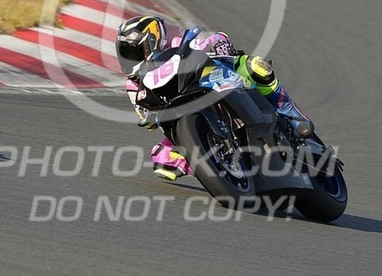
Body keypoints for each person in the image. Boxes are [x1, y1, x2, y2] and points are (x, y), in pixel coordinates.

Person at [115, 15, 314, 182]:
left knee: (256, 67)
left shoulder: (177, 43)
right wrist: (149, 115)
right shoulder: (133, 85)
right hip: (183, 112)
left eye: (134, 52)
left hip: (214, 81)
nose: (129, 59)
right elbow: (146, 117)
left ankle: (292, 115)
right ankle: (215, 166)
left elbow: (217, 38)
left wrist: (217, 46)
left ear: (153, 40)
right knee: (161, 158)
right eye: (125, 54)